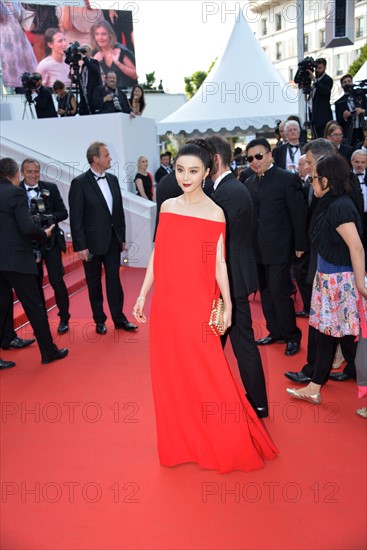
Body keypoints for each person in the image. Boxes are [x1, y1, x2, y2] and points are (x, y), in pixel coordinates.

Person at [132, 140, 278, 473]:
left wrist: (226, 303)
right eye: (180, 170)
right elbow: (159, 251)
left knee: (208, 371)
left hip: (197, 302)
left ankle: (228, 439)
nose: (185, 177)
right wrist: (143, 294)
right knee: (171, 376)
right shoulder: (167, 206)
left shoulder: (215, 212)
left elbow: (218, 263)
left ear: (207, 171)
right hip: (167, 302)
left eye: (193, 171)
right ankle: (183, 442)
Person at [286, 154, 367, 405]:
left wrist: (360, 284)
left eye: (314, 178)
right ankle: (314, 387)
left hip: (342, 282)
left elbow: (357, 247)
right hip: (328, 279)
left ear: (327, 180)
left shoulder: (340, 206)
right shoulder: (330, 203)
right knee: (325, 336)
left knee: (350, 342)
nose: (311, 182)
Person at [206, 135, 269, 418]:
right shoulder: (231, 188)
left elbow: (217, 240)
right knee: (218, 340)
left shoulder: (228, 192)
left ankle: (257, 403)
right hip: (232, 276)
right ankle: (235, 397)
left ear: (215, 160)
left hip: (231, 279)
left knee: (240, 343)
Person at [0, 158, 68, 367]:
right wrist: (44, 234)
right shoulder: (16, 192)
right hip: (18, 259)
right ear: (15, 174)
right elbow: (27, 228)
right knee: (34, 306)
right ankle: (48, 351)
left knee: (1, 307)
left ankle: (6, 340)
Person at [244, 138, 307, 356]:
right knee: (267, 293)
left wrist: (300, 244)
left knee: (280, 293)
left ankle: (292, 336)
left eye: (259, 156)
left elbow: (298, 213)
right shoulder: (248, 182)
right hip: (257, 249)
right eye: (250, 158)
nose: (255, 161)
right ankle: (275, 331)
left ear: (270, 155)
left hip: (280, 247)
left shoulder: (287, 179)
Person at [69, 142, 137, 335]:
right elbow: (76, 217)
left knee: (114, 281)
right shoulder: (80, 183)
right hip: (90, 245)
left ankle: (119, 318)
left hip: (112, 242)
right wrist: (80, 245)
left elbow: (118, 212)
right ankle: (99, 320)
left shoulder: (113, 180)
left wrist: (121, 236)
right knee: (94, 283)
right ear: (95, 159)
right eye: (106, 155)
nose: (110, 158)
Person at [20, 159, 70, 334]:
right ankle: (41, 321)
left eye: (36, 171)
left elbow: (63, 212)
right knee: (35, 285)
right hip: (29, 245)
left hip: (51, 243)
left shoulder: (51, 188)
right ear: (22, 172)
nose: (33, 175)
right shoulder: (15, 192)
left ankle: (64, 318)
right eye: (29, 172)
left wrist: (48, 218)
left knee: (57, 281)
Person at [90, 19, 137, 90]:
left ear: (110, 35)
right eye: (97, 34)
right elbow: (88, 78)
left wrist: (118, 64)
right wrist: (94, 61)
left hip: (124, 92)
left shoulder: (120, 50)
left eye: (104, 34)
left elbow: (135, 75)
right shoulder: (94, 53)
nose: (100, 38)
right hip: (104, 93)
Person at [0, 2, 37, 88]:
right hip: (4, 39)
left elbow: (22, 15)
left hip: (19, 37)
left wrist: (28, 22)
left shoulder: (16, 1)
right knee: (10, 69)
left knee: (26, 68)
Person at [335, 74, 367, 147]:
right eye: (344, 82)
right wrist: (344, 117)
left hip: (361, 129)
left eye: (349, 81)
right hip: (349, 132)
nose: (347, 84)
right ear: (342, 85)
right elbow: (339, 121)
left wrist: (362, 111)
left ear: (352, 83)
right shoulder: (339, 102)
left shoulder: (360, 96)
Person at [308, 58, 333, 138]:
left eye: (320, 68)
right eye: (316, 68)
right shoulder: (315, 81)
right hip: (313, 117)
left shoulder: (327, 79)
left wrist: (314, 80)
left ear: (325, 68)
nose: (317, 70)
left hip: (323, 119)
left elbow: (325, 91)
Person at [351, 149, 367, 268]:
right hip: (354, 219)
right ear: (351, 162)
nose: (360, 165)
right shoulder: (347, 177)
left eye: (363, 162)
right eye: (357, 162)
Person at [78, 44, 103, 115]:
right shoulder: (83, 65)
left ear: (90, 53)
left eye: (85, 52)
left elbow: (93, 70)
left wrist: (85, 58)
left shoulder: (95, 62)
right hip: (84, 94)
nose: (84, 54)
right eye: (83, 52)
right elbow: (83, 80)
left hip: (93, 94)